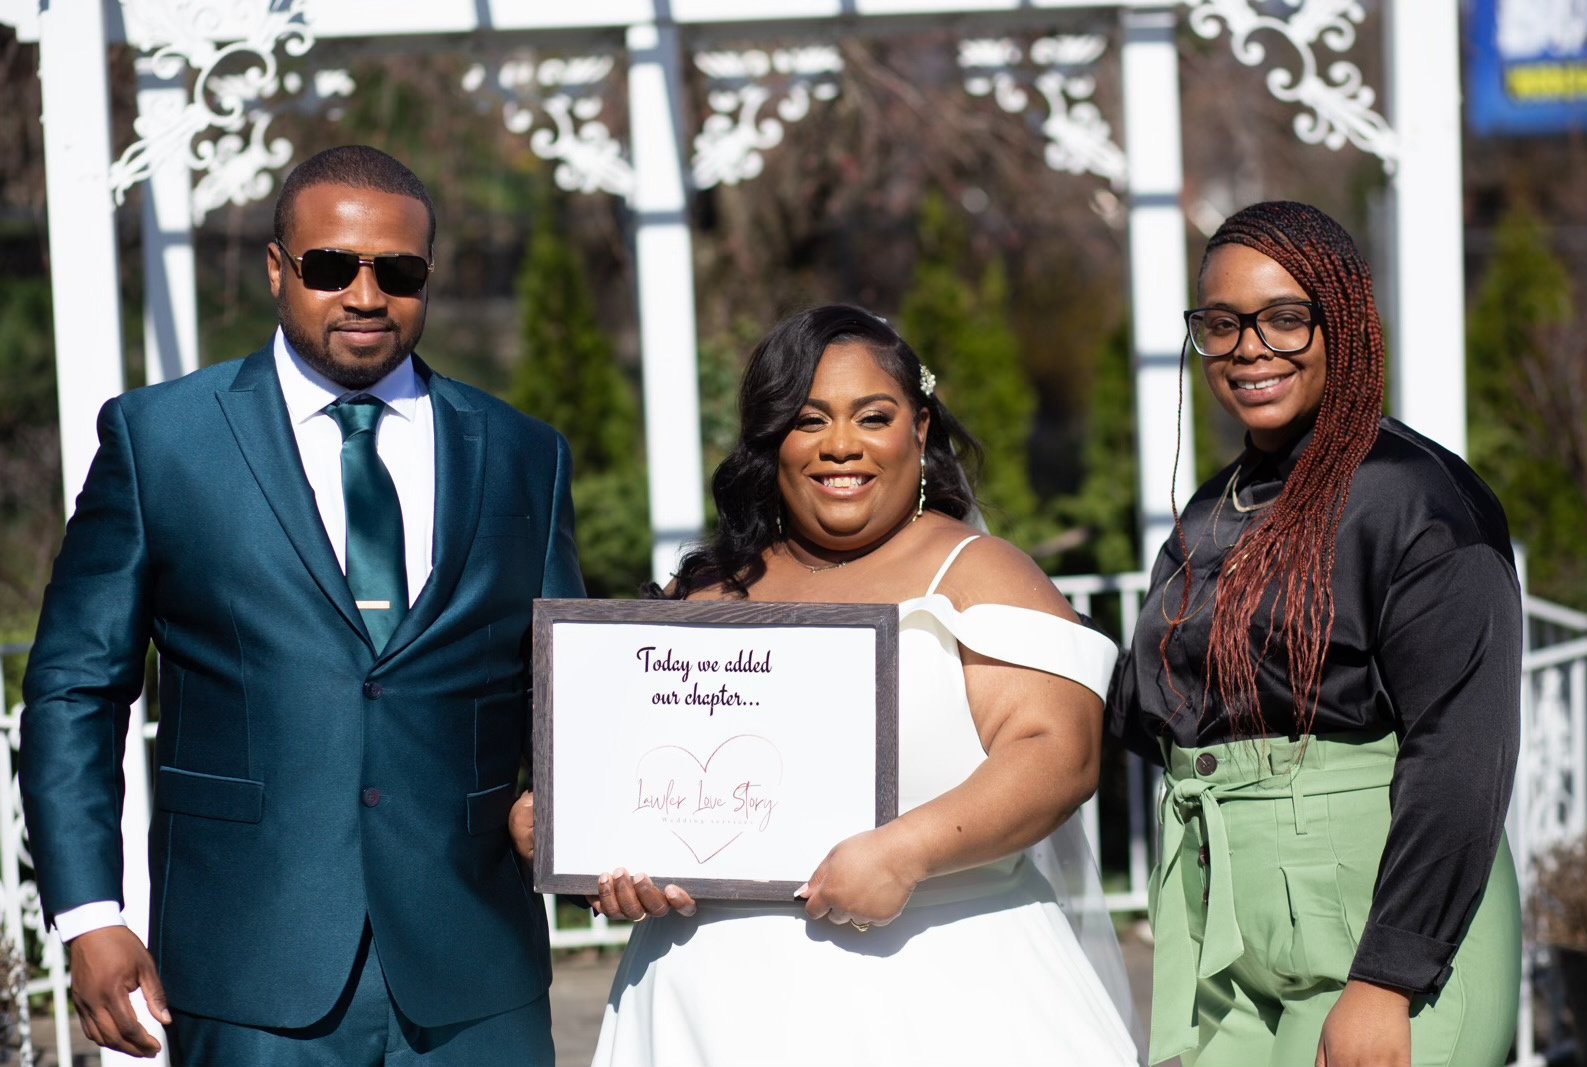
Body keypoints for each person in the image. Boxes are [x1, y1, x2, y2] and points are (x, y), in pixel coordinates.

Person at [21, 145, 583, 1064]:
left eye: (396, 271)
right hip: (248, 971)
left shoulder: (525, 453)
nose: (365, 294)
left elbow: (566, 689)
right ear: (278, 269)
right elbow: (76, 689)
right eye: (331, 266)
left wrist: (572, 813)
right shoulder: (161, 440)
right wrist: (89, 914)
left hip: (475, 972)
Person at [511, 304, 1140, 1066]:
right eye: (809, 421)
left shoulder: (982, 574)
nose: (841, 445)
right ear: (771, 441)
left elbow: (1057, 754)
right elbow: (637, 777)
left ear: (920, 428)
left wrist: (905, 852)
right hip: (704, 1012)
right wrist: (577, 832)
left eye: (872, 416)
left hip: (941, 994)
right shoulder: (707, 592)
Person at [1106, 201, 1522, 1067]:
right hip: (1229, 927)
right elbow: (1156, 718)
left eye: (1285, 318)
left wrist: (1387, 979)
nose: (1250, 347)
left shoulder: (1415, 498)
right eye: (1221, 324)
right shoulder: (1213, 511)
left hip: (1378, 927)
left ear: (1346, 325)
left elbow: (1462, 750)